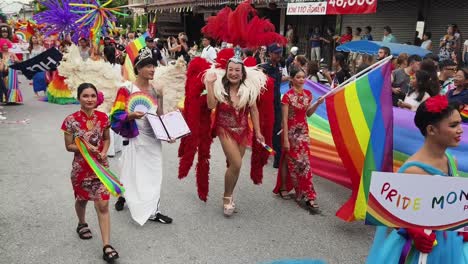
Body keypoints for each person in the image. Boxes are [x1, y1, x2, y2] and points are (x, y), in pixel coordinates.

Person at [367, 95, 466, 263]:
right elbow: (392, 214)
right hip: (420, 251)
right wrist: (412, 231)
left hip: (449, 245)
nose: (460, 129)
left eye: (460, 123)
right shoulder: (413, 171)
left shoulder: (451, 161)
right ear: (431, 130)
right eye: (453, 125)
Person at [111, 48, 173, 225]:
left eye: (153, 65)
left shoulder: (155, 89)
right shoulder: (126, 89)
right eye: (148, 66)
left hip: (152, 138)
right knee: (131, 170)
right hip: (134, 136)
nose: (153, 69)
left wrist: (169, 133)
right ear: (138, 68)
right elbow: (115, 115)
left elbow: (160, 115)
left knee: (154, 172)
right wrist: (130, 116)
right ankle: (126, 196)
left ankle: (153, 210)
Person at [61, 83, 119, 263]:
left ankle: (107, 245)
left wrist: (103, 151)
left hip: (100, 168)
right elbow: (69, 146)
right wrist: (85, 147)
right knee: (82, 199)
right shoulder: (70, 120)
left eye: (93, 96)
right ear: (78, 98)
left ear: (97, 98)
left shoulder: (103, 118)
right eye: (85, 96)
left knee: (103, 206)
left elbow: (107, 138)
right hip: (81, 169)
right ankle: (82, 223)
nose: (90, 99)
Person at [205, 52, 265, 216]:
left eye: (237, 70)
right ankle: (226, 198)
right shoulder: (220, 87)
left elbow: (254, 110)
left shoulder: (248, 90)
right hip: (224, 128)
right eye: (230, 70)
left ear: (242, 73)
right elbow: (211, 105)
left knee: (234, 167)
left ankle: (229, 195)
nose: (233, 73)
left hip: (243, 130)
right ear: (226, 71)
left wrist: (258, 132)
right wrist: (209, 84)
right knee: (237, 164)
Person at [273, 65, 324, 209]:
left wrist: (317, 104)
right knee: (292, 161)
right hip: (290, 133)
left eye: (303, 77)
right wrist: (285, 139)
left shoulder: (308, 94)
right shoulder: (287, 96)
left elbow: (308, 114)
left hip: (304, 133)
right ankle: (289, 189)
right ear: (292, 79)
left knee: (304, 163)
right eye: (298, 77)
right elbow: (284, 120)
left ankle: (307, 193)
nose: (301, 80)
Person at [260, 43, 283, 168]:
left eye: (280, 52)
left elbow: (278, 82)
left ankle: (277, 158)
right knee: (266, 130)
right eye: (276, 53)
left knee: (277, 131)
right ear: (270, 54)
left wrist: (291, 78)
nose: (279, 55)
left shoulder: (279, 66)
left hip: (277, 104)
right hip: (267, 105)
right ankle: (264, 152)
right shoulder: (264, 68)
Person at [0, 38, 22, 104]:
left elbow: (18, 61)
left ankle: (12, 99)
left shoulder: (12, 53)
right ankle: (4, 98)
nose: (5, 46)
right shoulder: (1, 54)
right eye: (3, 45)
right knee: (4, 84)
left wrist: (14, 60)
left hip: (12, 71)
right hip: (4, 71)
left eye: (6, 45)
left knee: (12, 84)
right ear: (1, 46)